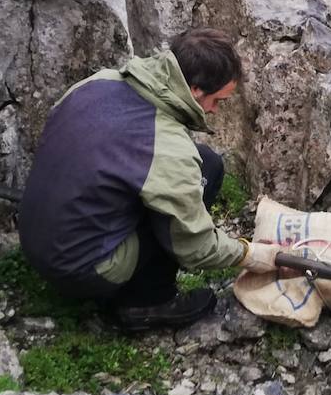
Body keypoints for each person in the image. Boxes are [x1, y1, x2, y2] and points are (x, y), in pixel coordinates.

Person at [17, 29, 250, 332]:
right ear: (195, 90)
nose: (215, 111)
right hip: (81, 269)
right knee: (208, 170)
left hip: (39, 241)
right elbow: (197, 247)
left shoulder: (100, 82)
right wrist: (250, 253)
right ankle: (146, 302)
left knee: (199, 162)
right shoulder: (167, 148)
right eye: (218, 100)